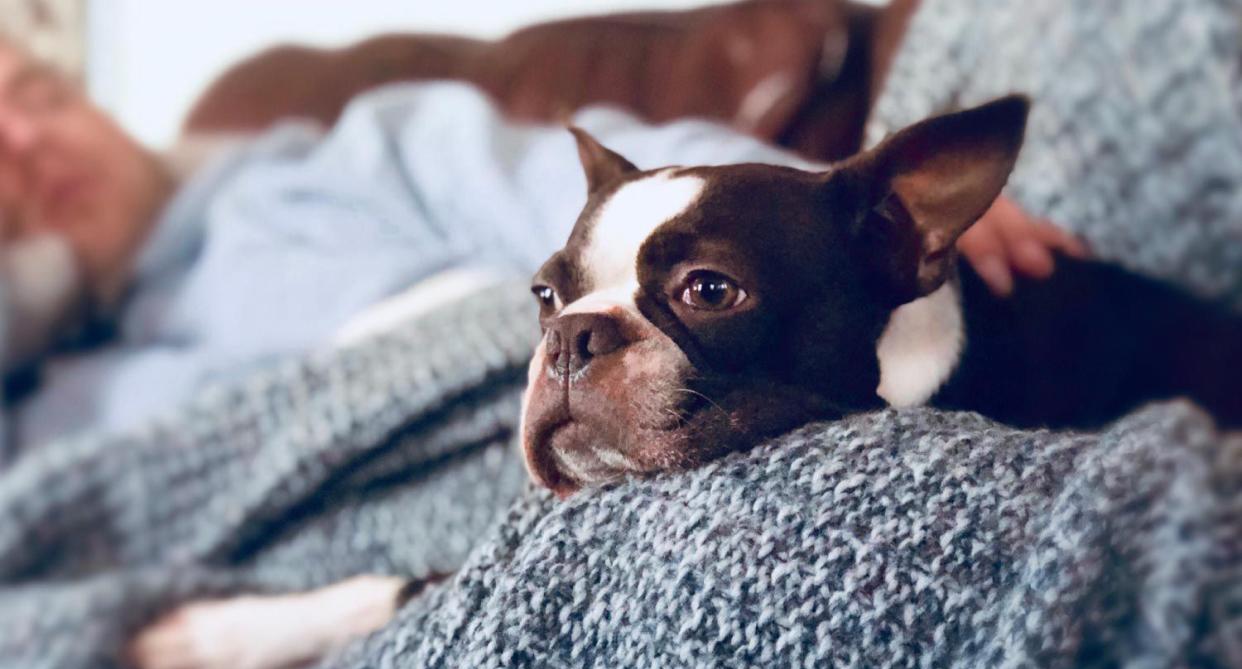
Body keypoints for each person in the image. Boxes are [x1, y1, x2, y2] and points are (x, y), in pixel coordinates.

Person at [0, 37, 1085, 460]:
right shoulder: (58, 406)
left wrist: (867, 218)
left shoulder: (342, 156)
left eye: (34, 96)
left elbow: (659, 187)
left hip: (515, 422)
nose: (28, 145)